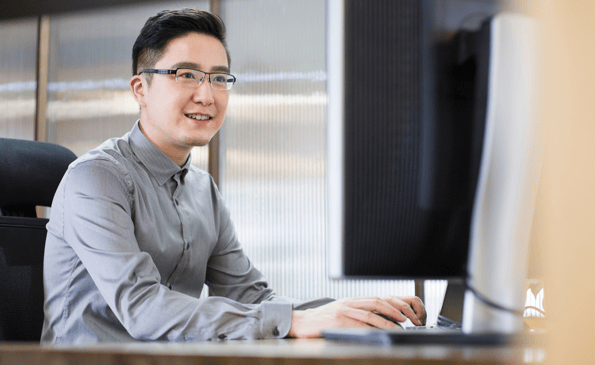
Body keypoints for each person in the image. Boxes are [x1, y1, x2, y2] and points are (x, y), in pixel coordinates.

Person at [41, 8, 426, 343]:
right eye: (186, 74)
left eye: (220, 78)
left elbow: (251, 296)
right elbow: (143, 308)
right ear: (141, 89)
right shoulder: (96, 178)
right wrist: (294, 321)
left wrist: (355, 312)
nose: (207, 95)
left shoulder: (201, 188)